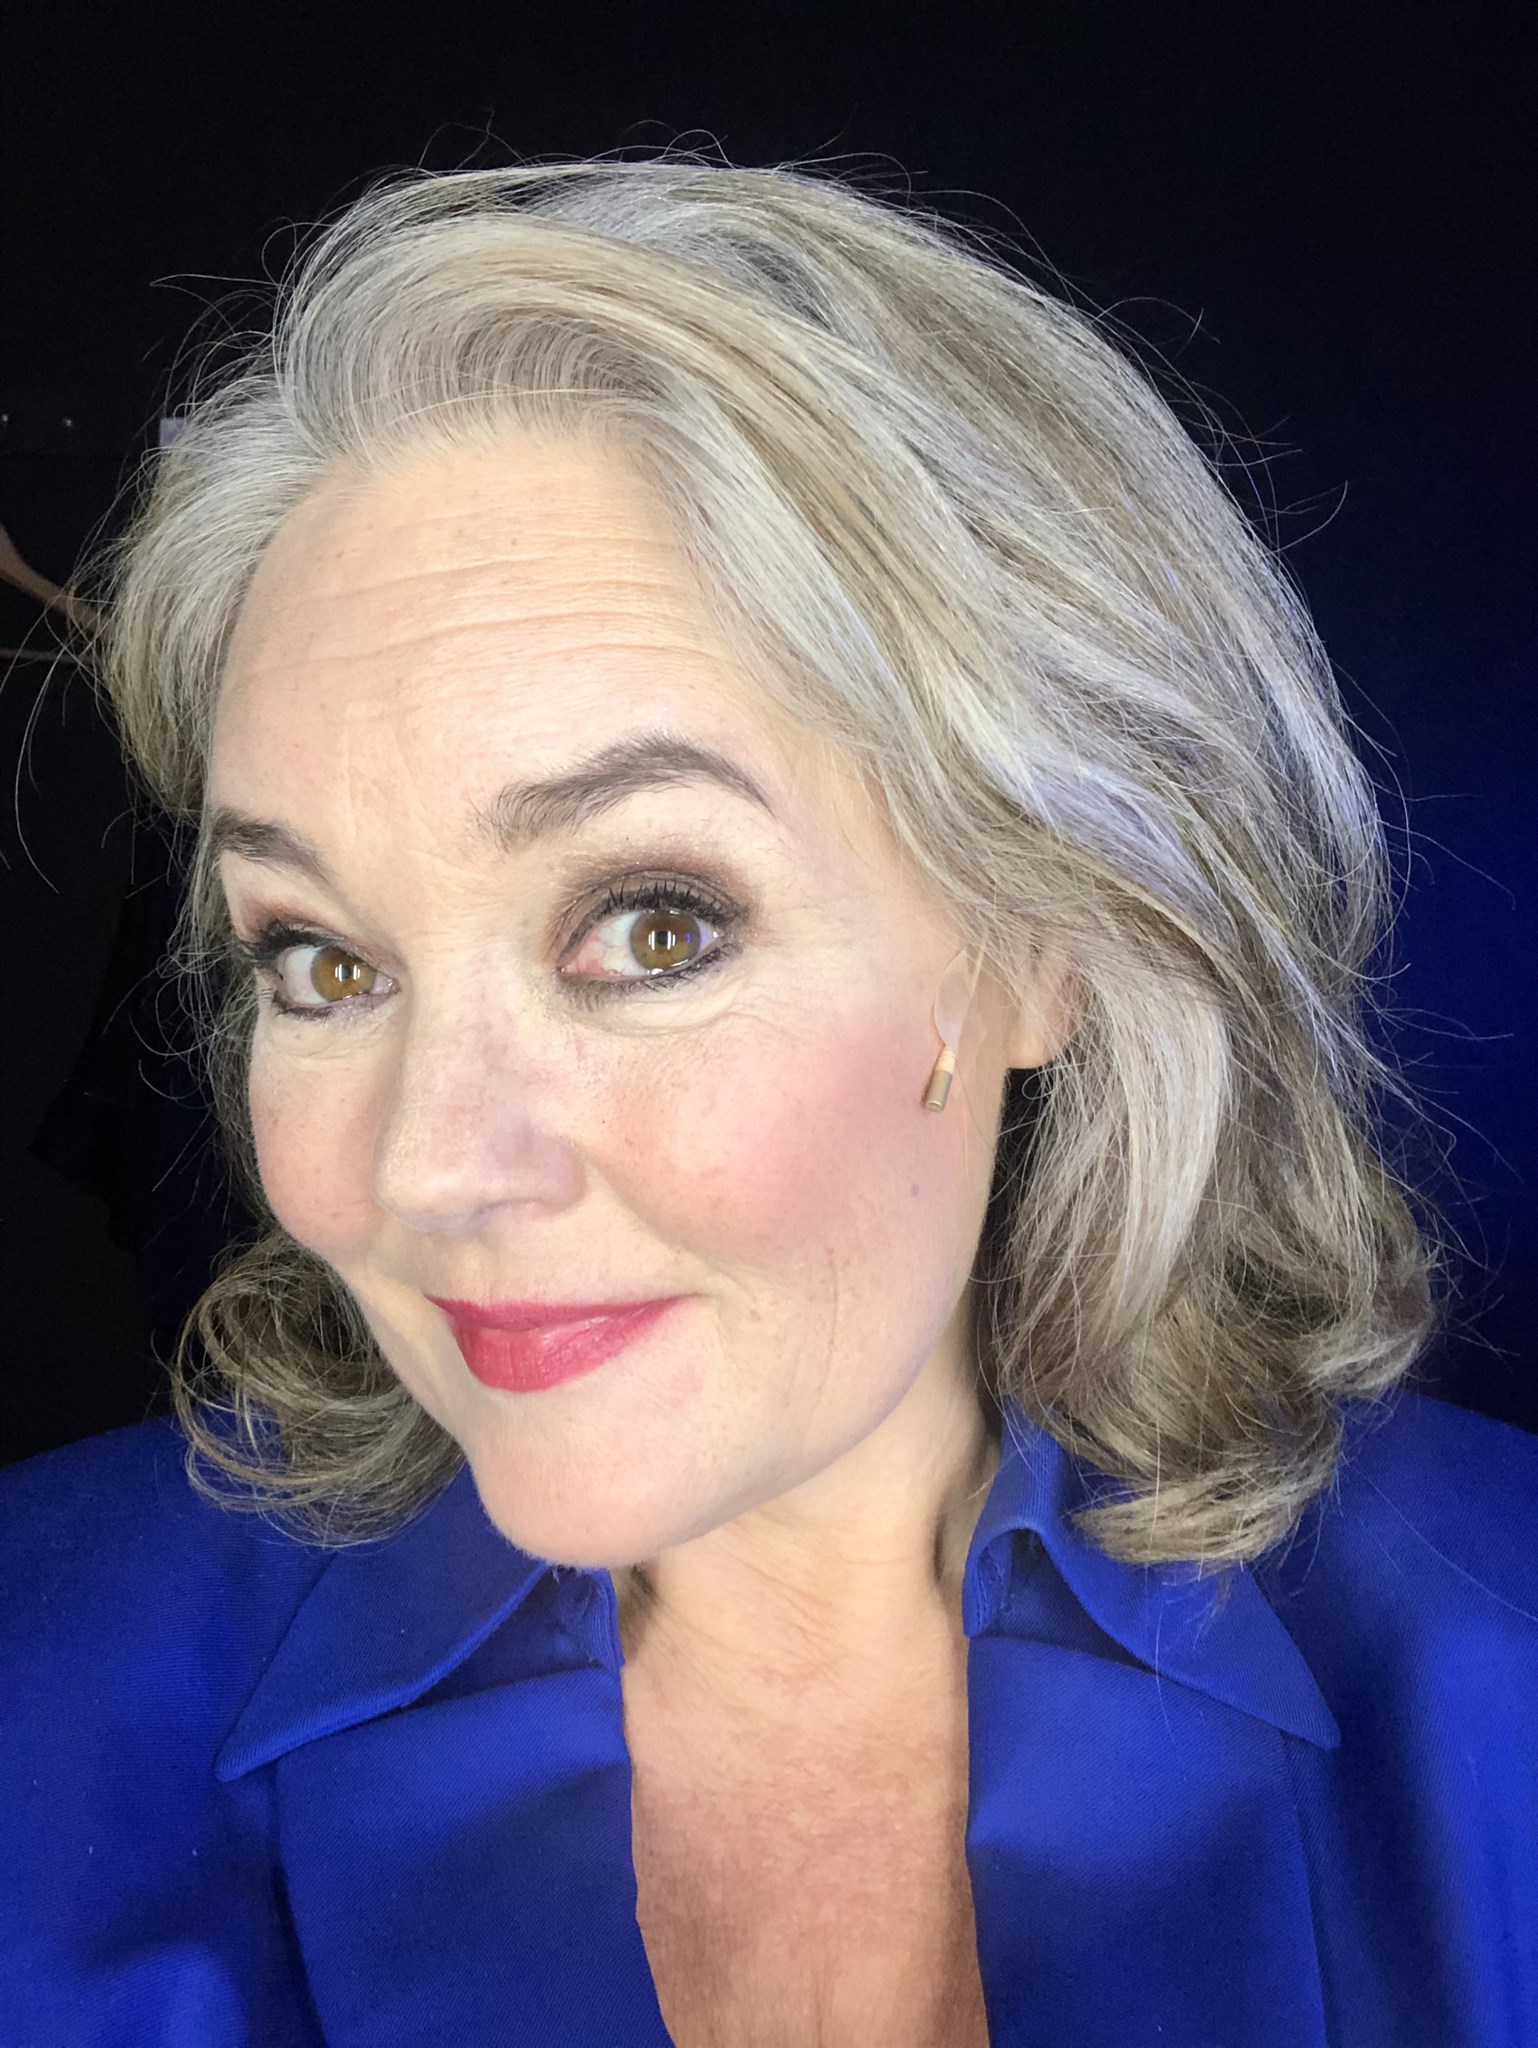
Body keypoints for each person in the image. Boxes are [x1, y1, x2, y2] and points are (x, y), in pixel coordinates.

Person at [2, 155, 1533, 2048]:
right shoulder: (35, 1700)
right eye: (322, 961)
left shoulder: (1495, 1677)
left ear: (1042, 942)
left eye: (654, 926)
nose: (428, 1165)